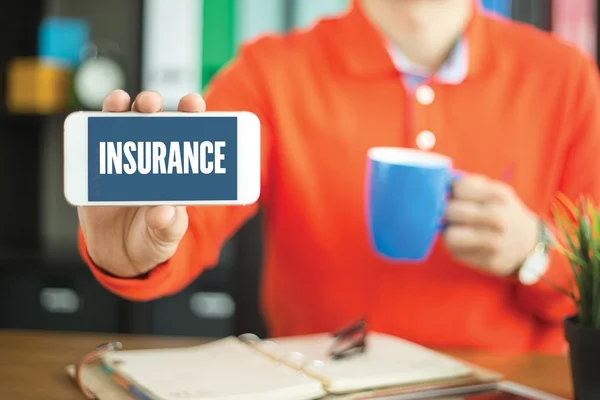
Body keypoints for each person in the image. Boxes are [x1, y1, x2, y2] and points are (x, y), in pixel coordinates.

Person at [77, 0, 600, 354]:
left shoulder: (568, 78)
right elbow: (188, 222)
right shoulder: (269, 72)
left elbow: (591, 284)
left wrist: (535, 252)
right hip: (324, 383)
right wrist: (136, 253)